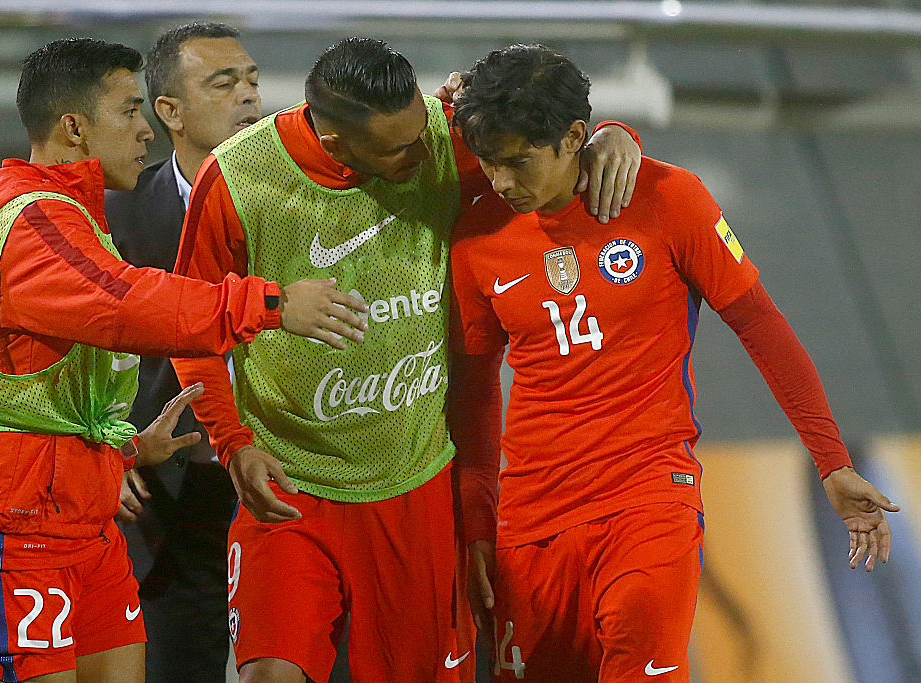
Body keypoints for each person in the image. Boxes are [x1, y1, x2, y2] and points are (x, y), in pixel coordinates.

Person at [170, 37, 641, 683]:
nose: (424, 154)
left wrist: (615, 136)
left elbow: (549, 147)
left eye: (422, 132)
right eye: (399, 149)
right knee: (267, 674)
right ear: (336, 143)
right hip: (291, 487)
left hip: (416, 493)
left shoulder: (441, 136)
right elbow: (190, 328)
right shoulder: (238, 179)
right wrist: (233, 443)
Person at [446, 44, 899, 682]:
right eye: (490, 163)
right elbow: (474, 394)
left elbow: (762, 327)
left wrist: (832, 460)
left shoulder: (667, 198)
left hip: (648, 499)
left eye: (518, 162)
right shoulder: (475, 237)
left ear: (573, 138)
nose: (501, 181)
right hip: (531, 518)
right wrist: (478, 524)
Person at [0, 37, 366, 683]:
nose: (145, 130)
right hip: (9, 522)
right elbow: (128, 304)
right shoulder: (34, 223)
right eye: (131, 111)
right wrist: (270, 303)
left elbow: (48, 401)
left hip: (82, 518)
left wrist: (124, 451)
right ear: (74, 128)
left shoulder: (74, 217)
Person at [104, 23, 260, 682]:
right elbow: (77, 356)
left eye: (250, 80)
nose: (248, 96)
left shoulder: (306, 205)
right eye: (223, 84)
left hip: (287, 482)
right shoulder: (115, 216)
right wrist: (107, 449)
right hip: (168, 497)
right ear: (168, 110)